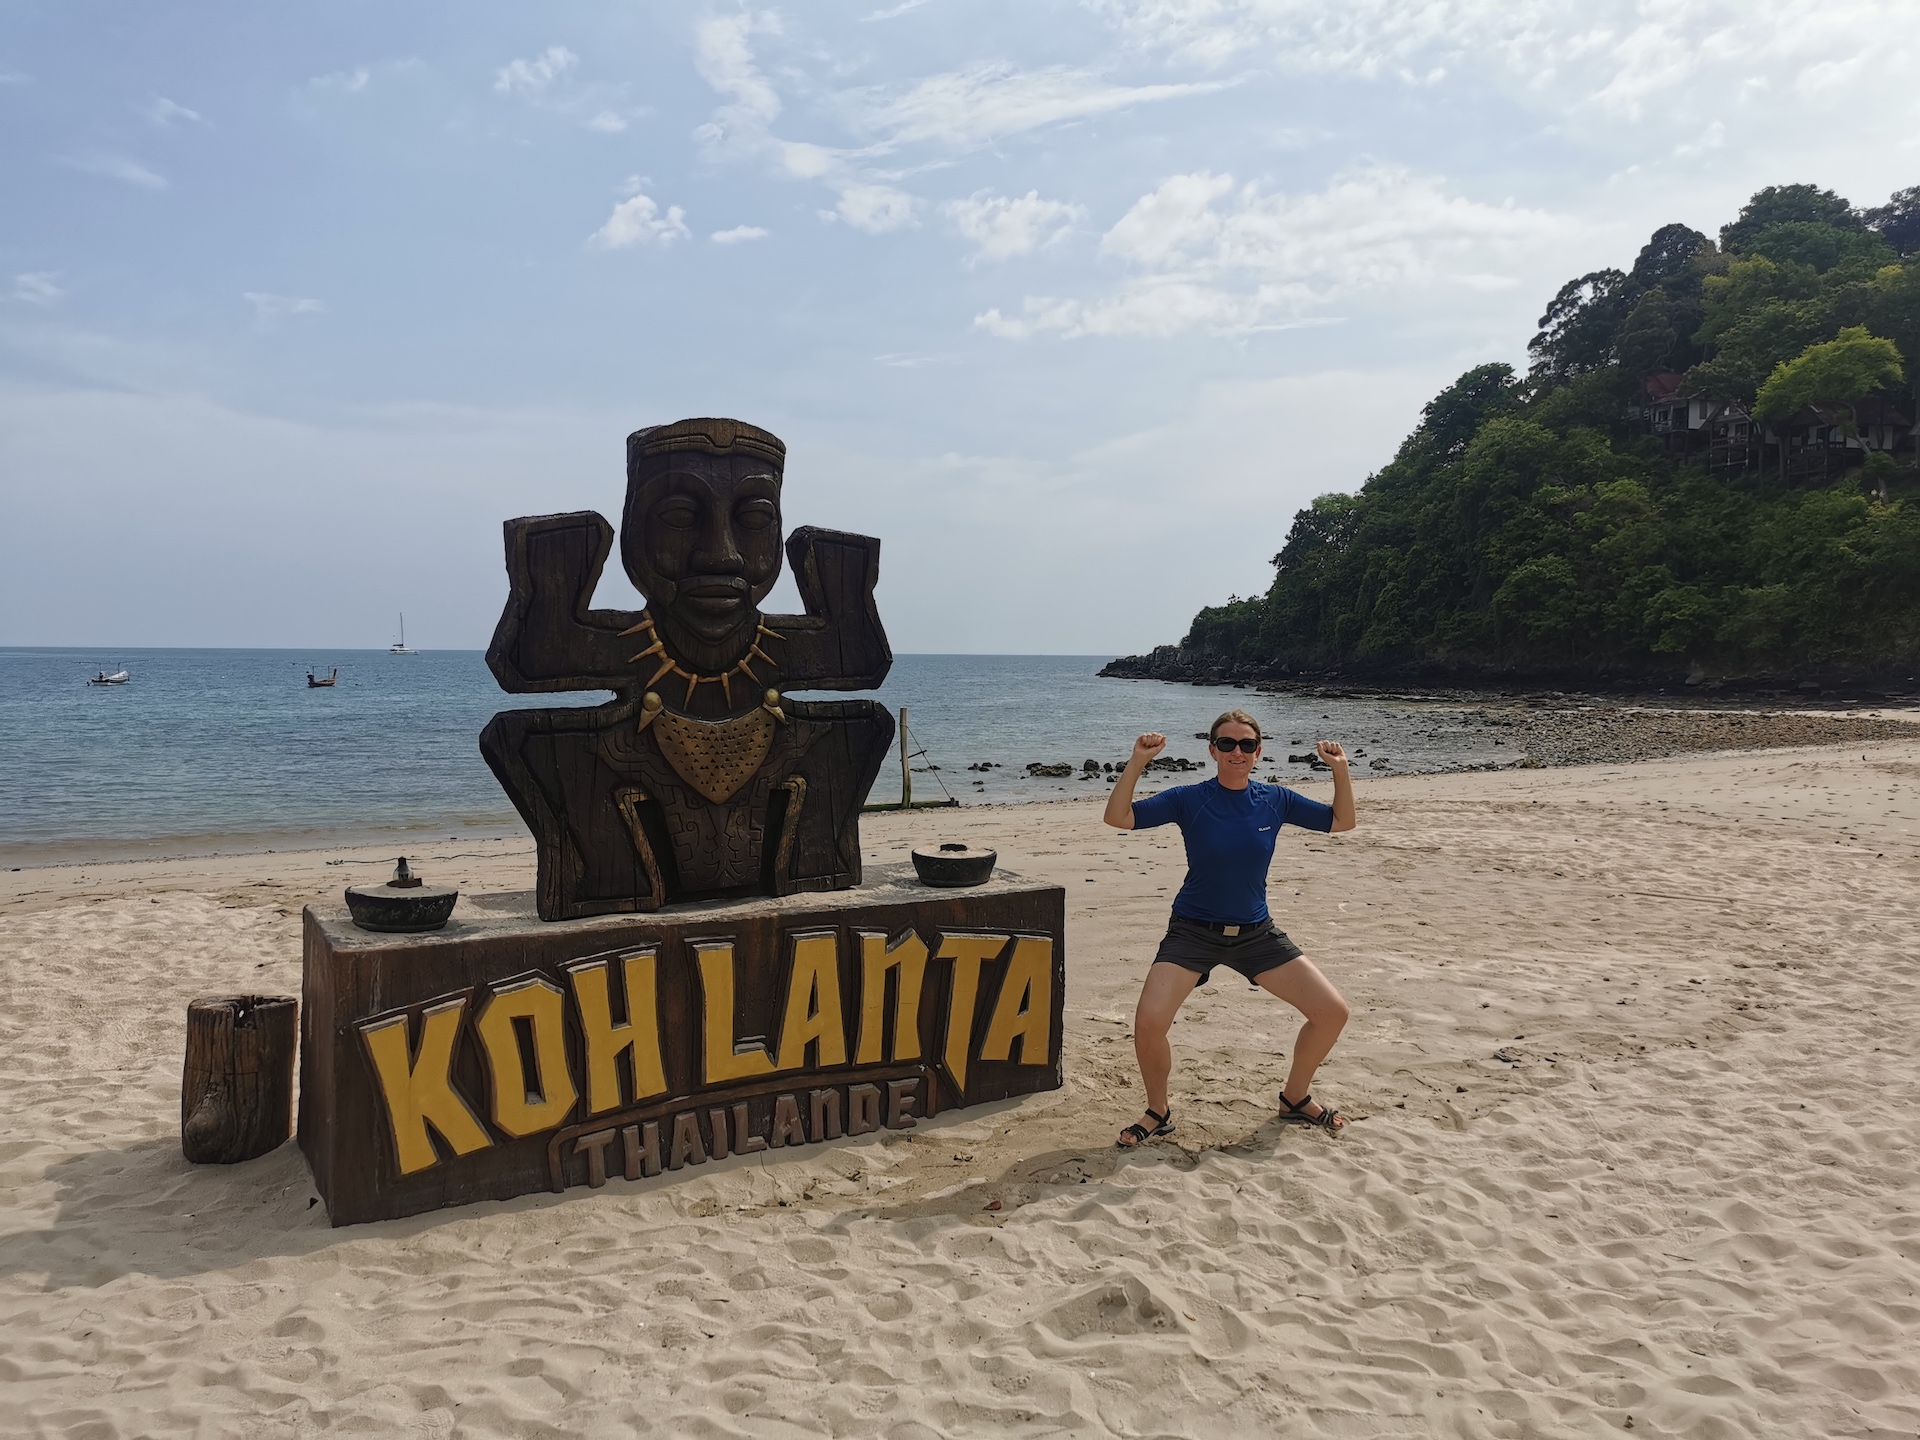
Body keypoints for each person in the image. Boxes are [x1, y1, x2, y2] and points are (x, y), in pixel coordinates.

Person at [1103, 708, 1356, 1146]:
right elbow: (1118, 818)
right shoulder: (1189, 798)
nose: (1236, 752)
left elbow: (1342, 822)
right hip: (1192, 932)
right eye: (1227, 744)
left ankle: (1295, 1098)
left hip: (1256, 934)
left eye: (1246, 744)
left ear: (1258, 752)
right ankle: (1157, 1111)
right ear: (1212, 750)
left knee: (1332, 1013)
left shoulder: (1275, 799)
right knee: (1148, 1023)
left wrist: (1340, 769)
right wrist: (1138, 761)